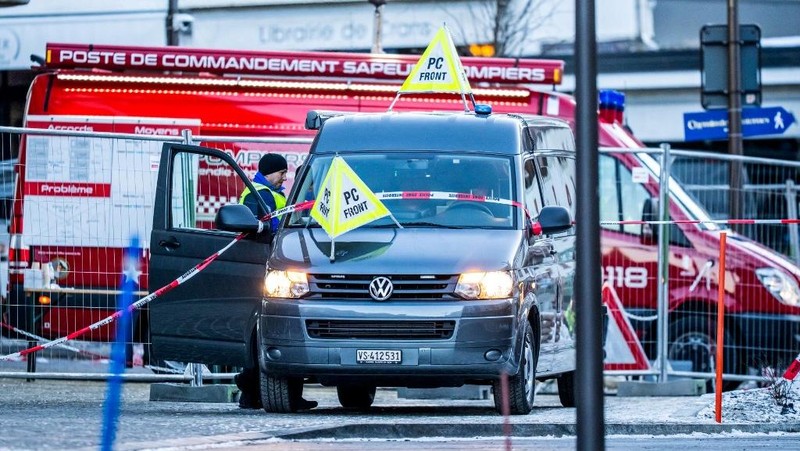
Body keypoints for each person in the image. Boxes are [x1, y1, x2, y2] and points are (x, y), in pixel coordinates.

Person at [234, 153, 317, 410]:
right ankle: (250, 391)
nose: (285, 176)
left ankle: (256, 394)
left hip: (273, 267)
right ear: (270, 172)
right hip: (261, 267)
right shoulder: (257, 194)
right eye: (281, 172)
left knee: (265, 333)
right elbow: (261, 227)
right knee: (264, 333)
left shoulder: (272, 193)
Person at [238, 153, 289, 232]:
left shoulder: (269, 191)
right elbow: (268, 226)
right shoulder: (261, 193)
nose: (285, 178)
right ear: (268, 173)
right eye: (282, 173)